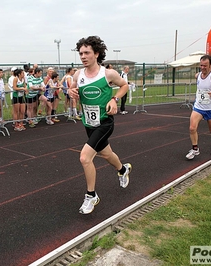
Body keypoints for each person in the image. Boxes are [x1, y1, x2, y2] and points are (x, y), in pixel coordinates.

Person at [68, 36, 132, 214]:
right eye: (81, 53)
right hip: (89, 123)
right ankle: (122, 169)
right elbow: (72, 87)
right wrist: (71, 91)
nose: (83, 56)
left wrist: (114, 99)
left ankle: (91, 196)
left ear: (96, 53)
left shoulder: (107, 74)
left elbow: (124, 85)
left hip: (105, 122)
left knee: (85, 157)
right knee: (106, 154)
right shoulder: (78, 74)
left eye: (87, 52)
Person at [186, 54, 211, 160]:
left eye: (205, 65)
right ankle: (195, 149)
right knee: (192, 128)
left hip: (210, 108)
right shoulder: (197, 75)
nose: (203, 68)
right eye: (201, 65)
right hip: (198, 107)